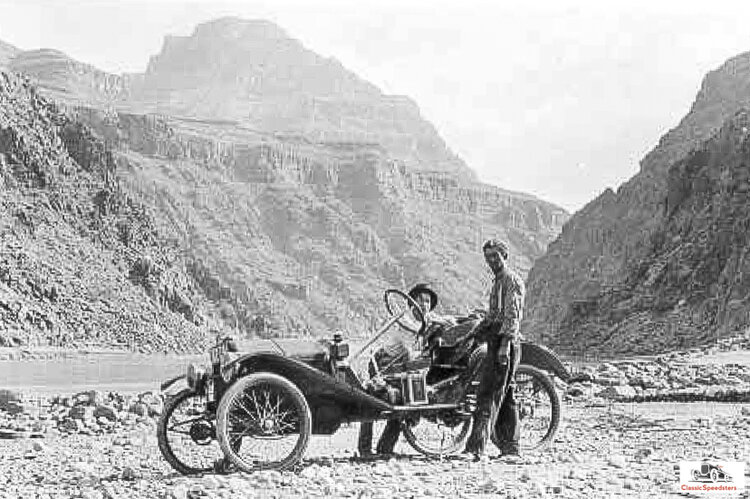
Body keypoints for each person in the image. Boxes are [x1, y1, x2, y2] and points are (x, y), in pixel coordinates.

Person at [358, 283, 454, 457]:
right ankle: (364, 449)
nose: (424, 304)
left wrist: (447, 322)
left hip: (400, 364)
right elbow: (409, 352)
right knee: (372, 400)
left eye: (428, 301)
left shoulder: (426, 318)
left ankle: (385, 448)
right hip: (383, 362)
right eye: (421, 300)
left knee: (403, 403)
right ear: (412, 303)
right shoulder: (406, 320)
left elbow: (443, 319)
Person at [464, 239, 524, 459]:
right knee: (506, 396)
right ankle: (511, 449)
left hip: (504, 343)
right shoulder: (497, 281)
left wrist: (504, 348)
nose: (491, 261)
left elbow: (512, 317)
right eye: (488, 257)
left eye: (495, 256)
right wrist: (473, 331)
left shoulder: (511, 281)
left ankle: (475, 449)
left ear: (504, 256)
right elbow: (493, 315)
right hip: (495, 340)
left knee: (487, 394)